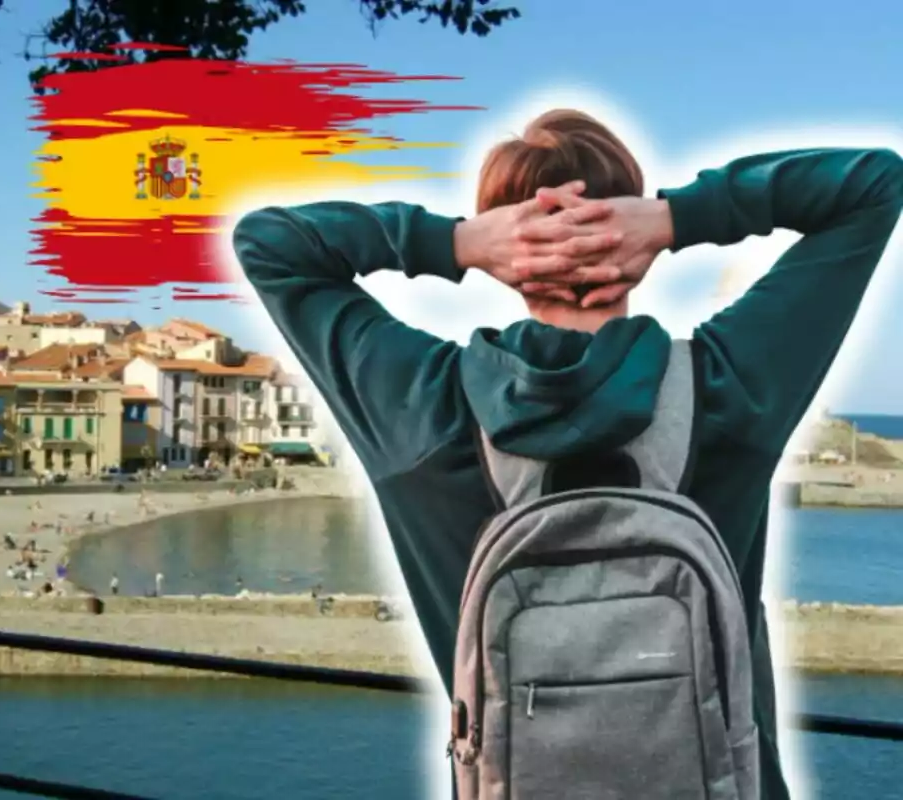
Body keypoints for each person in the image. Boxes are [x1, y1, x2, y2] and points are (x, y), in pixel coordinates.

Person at [232, 108, 903, 800]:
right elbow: (872, 184)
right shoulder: (725, 390)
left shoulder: (423, 407)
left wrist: (454, 243)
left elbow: (272, 244)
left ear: (509, 255)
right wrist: (676, 218)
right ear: (628, 226)